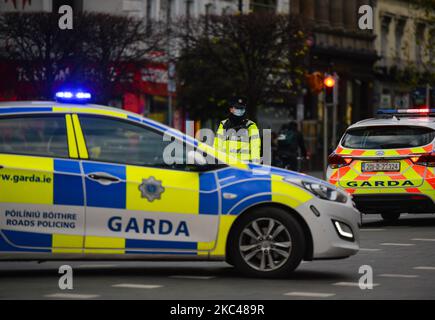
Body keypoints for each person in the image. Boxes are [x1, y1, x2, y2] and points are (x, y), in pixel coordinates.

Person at [214, 97, 261, 163]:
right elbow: (217, 145)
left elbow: (255, 148)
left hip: (243, 167)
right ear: (231, 109)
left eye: (242, 108)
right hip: (226, 166)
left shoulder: (251, 126)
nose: (240, 110)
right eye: (237, 108)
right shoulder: (224, 124)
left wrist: (255, 166)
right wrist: (216, 162)